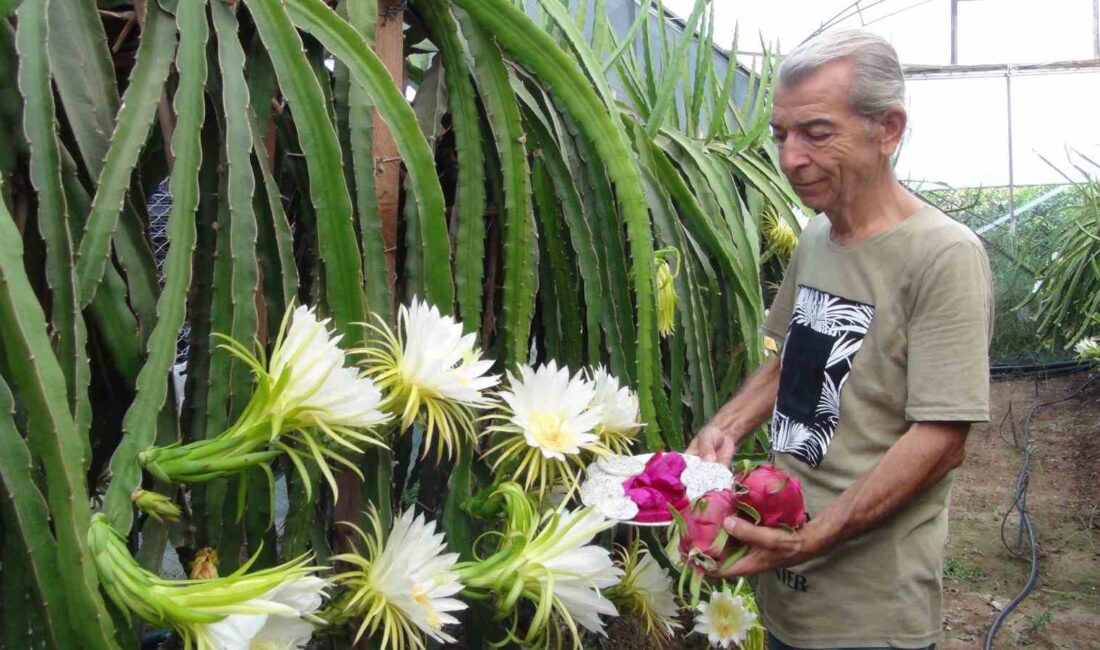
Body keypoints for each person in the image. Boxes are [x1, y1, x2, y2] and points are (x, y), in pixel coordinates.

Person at [686, 29, 993, 650]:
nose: (790, 157)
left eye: (817, 133)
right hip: (789, 581)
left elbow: (941, 438)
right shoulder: (816, 238)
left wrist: (815, 536)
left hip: (869, 610)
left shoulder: (944, 255)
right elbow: (788, 359)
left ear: (888, 129)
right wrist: (726, 426)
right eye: (780, 135)